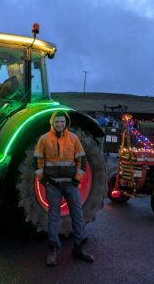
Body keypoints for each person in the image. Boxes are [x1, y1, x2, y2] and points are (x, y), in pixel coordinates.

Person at [34, 111, 94, 266]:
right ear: (52, 123)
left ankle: (78, 248)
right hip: (53, 185)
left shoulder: (74, 139)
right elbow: (38, 162)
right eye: (57, 122)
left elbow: (82, 159)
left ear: (66, 123)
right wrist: (45, 182)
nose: (59, 124)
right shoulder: (44, 139)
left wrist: (76, 181)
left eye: (62, 122)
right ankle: (53, 249)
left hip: (70, 185)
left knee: (77, 214)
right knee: (53, 217)